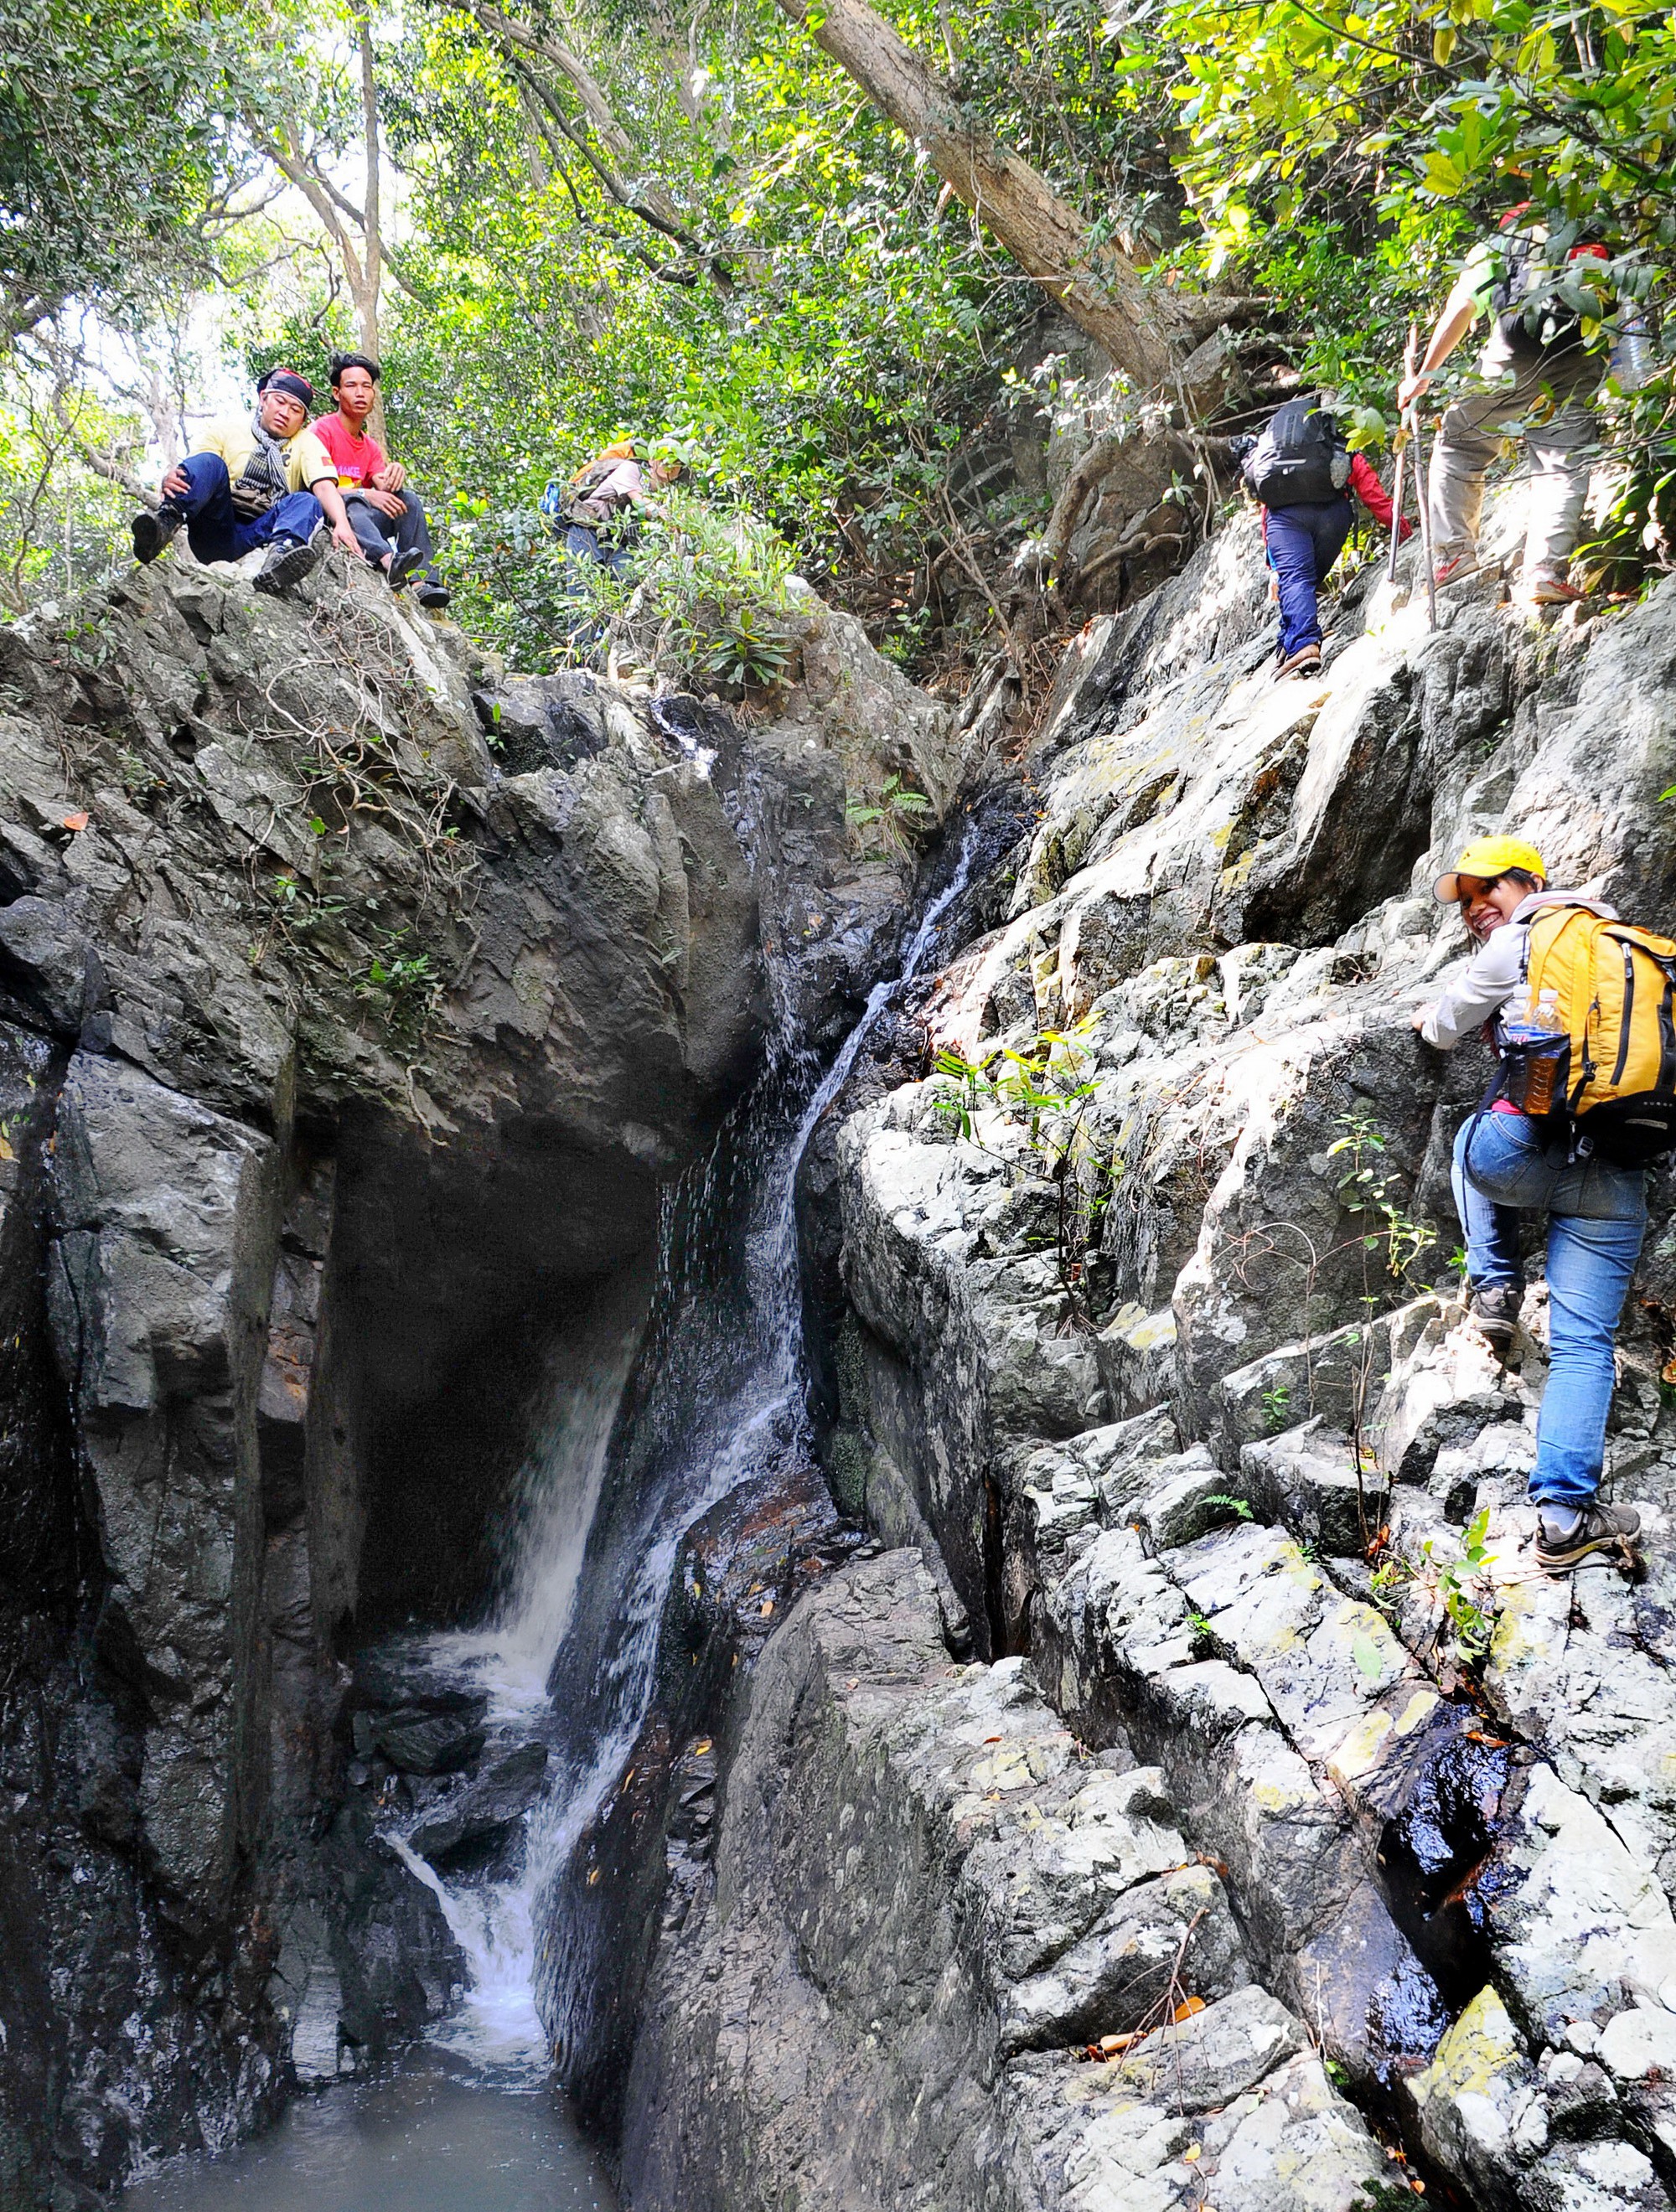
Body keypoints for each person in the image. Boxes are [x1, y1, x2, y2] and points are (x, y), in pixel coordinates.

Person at [1411, 834, 1645, 1573]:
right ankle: (1565, 1517)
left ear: (1529, 884)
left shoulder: (1524, 939)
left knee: (1468, 1145)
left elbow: (1446, 1024)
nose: (1478, 908)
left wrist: (1428, 1019)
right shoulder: (1631, 946)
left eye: (1489, 891)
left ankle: (1495, 1281)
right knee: (1584, 1345)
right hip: (1618, 1169)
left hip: (1518, 1150)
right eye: (1470, 900)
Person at [1397, 213, 1613, 608]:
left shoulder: (1510, 234)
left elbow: (1463, 307)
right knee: (1563, 461)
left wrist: (1424, 376)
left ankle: (1454, 556)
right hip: (1578, 354)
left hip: (1514, 348)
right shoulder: (1595, 227)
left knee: (1461, 442)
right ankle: (1545, 572)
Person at [131, 367, 362, 596]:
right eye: (280, 402)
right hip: (216, 528)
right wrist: (170, 478)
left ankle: (279, 561)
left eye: (295, 409)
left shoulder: (307, 442)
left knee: (307, 501)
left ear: (302, 419)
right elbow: (195, 470)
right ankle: (163, 525)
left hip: (264, 531)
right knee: (211, 462)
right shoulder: (228, 430)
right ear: (264, 399)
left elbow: (324, 486)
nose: (285, 413)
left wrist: (342, 523)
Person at [1241, 396, 1412, 680]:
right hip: (1333, 518)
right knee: (1305, 580)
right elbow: (1375, 498)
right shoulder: (1338, 449)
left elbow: (1266, 506)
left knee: (1295, 579)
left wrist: (1273, 567)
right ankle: (1290, 640)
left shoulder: (1272, 459)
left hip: (1285, 520)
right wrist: (1404, 531)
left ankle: (1304, 643)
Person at [313, 353, 450, 612]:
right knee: (353, 501)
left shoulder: (369, 445)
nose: (360, 393)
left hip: (363, 523)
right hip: (332, 517)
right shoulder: (322, 431)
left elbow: (383, 485)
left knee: (406, 499)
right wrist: (366, 494)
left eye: (367, 386)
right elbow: (317, 485)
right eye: (351, 386)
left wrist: (395, 473)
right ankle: (389, 562)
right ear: (336, 393)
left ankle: (423, 582)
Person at [541, 440, 683, 578]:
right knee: (582, 583)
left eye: (677, 462)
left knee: (629, 579)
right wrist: (665, 516)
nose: (670, 464)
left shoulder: (663, 494)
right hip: (586, 529)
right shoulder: (630, 469)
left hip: (617, 539)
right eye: (664, 458)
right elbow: (640, 501)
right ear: (652, 460)